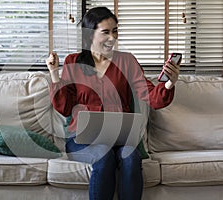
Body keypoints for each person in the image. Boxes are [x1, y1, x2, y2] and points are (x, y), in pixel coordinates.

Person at [46, 6, 180, 200]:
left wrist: (169, 83)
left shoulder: (127, 61)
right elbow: (65, 107)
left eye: (115, 31)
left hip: (120, 138)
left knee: (132, 159)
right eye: (106, 32)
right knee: (103, 157)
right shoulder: (73, 61)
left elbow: (150, 96)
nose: (112, 37)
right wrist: (54, 74)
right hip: (81, 140)